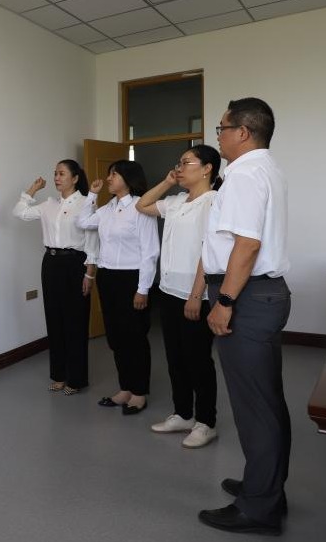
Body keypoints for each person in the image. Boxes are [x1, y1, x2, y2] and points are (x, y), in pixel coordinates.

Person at [197, 98, 291, 535]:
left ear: (243, 132)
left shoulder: (244, 174)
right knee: (266, 400)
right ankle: (266, 487)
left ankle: (259, 508)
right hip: (262, 295)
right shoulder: (266, 168)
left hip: (247, 297)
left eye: (221, 128)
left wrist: (225, 301)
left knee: (255, 406)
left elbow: (247, 244)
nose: (217, 136)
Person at [135, 145, 221, 449]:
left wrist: (196, 295)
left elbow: (209, 252)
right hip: (168, 291)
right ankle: (183, 414)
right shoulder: (175, 201)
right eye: (179, 163)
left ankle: (206, 422)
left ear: (207, 168)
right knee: (175, 359)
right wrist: (168, 181)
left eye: (186, 163)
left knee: (198, 360)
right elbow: (142, 205)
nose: (180, 167)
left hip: (195, 294)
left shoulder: (214, 202)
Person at [77, 160, 159, 415]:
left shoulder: (141, 206)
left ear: (128, 178)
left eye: (114, 174)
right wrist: (92, 195)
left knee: (135, 337)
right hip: (108, 278)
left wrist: (143, 289)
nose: (108, 178)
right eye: (109, 174)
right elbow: (83, 222)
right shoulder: (107, 208)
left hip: (132, 279)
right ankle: (125, 388)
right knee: (115, 337)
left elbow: (150, 252)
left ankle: (139, 392)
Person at [13, 160, 98, 395]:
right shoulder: (49, 204)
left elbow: (92, 243)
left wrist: (89, 274)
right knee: (54, 319)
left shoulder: (86, 203)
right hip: (51, 263)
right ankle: (58, 375)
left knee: (75, 321)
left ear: (75, 178)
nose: (56, 178)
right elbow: (19, 212)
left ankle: (76, 379)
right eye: (55, 174)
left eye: (62, 174)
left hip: (75, 264)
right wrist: (33, 189)